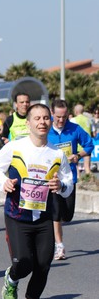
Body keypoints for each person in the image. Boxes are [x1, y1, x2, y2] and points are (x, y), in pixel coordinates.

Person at [0, 104, 74, 299]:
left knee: (44, 264)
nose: (42, 122)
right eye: (37, 118)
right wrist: (3, 181)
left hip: (44, 217)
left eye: (46, 118)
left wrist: (61, 185)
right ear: (28, 123)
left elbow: (69, 182)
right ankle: (12, 278)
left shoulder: (57, 153)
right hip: (17, 215)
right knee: (24, 262)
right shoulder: (16, 148)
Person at [48, 99, 93, 260]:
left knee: (67, 216)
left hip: (69, 178)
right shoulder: (46, 131)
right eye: (58, 117)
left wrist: (78, 155)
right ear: (52, 114)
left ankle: (58, 236)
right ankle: (59, 246)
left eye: (64, 117)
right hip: (52, 180)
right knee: (55, 214)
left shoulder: (74, 129)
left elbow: (89, 145)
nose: (61, 120)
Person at [71, 103, 92, 174]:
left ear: (76, 111)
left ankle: (78, 184)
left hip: (77, 146)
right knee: (87, 168)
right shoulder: (88, 120)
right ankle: (91, 182)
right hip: (87, 146)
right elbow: (93, 133)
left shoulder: (73, 120)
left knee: (76, 168)